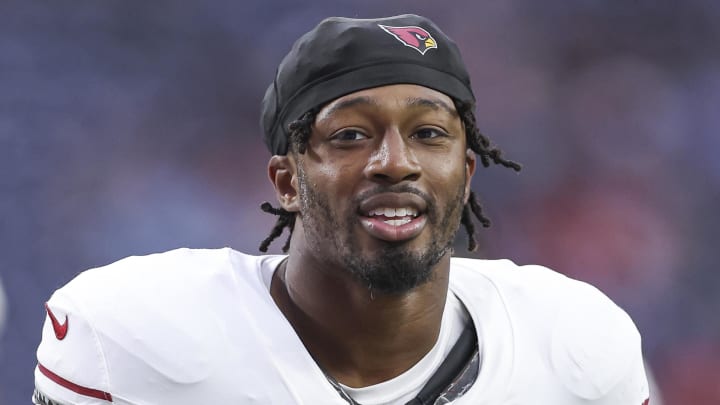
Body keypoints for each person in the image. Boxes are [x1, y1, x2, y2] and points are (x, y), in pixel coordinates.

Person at [33, 14, 651, 405]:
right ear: (288, 181)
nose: (394, 162)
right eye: (350, 135)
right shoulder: (130, 334)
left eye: (429, 134)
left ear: (465, 176)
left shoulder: (577, 345)